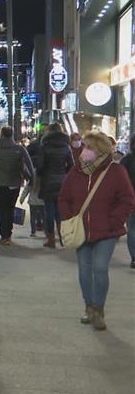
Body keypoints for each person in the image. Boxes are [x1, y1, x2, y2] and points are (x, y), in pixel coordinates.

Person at [58, 131, 135, 330]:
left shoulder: (116, 172)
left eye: (89, 147)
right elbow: (64, 197)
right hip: (81, 230)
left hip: (107, 232)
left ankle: (99, 309)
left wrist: (114, 221)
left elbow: (127, 199)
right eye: (84, 146)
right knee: (84, 270)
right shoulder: (76, 172)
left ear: (100, 150)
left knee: (100, 268)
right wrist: (70, 217)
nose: (85, 151)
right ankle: (89, 306)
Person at [0, 126, 35, 245]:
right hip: (14, 183)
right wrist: (32, 180)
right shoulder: (19, 149)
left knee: (1, 209)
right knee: (10, 209)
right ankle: (8, 235)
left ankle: (4, 235)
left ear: (1, 135)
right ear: (12, 135)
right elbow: (29, 165)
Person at [35, 123, 74, 248]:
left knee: (49, 211)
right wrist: (64, 174)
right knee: (60, 210)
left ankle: (51, 239)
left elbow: (40, 166)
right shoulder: (66, 147)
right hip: (62, 181)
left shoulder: (45, 147)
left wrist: (41, 174)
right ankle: (62, 237)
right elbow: (71, 165)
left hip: (48, 181)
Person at [120, 135, 135, 268]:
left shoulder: (126, 160)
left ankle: (134, 258)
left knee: (132, 229)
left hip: (131, 199)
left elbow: (120, 181)